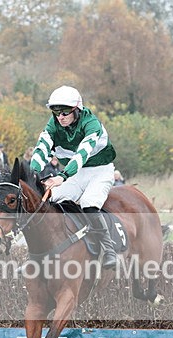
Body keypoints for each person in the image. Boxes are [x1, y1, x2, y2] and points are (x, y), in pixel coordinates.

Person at [29, 85, 118, 268]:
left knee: (88, 204)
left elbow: (81, 155)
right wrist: (33, 173)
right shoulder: (53, 124)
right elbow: (42, 147)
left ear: (77, 110)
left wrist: (62, 176)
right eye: (56, 112)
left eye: (64, 112)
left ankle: (109, 250)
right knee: (49, 200)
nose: (60, 117)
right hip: (76, 173)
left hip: (99, 171)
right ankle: (39, 256)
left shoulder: (91, 124)